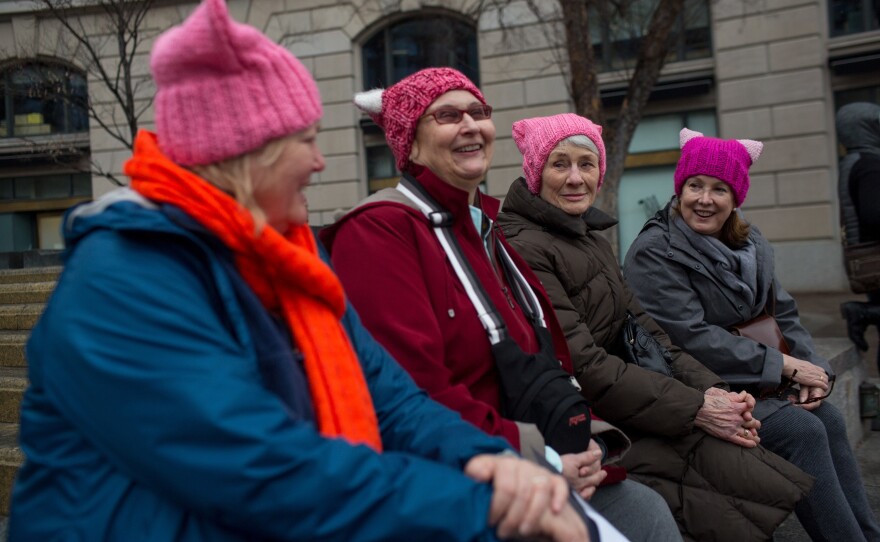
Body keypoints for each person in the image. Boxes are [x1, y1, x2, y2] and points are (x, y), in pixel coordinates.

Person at [7, 2, 596, 540]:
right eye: (307, 141)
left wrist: (486, 461)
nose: (320, 162)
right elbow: (258, 470)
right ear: (248, 152)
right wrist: (480, 506)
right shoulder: (123, 282)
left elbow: (391, 400)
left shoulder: (289, 259)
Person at [320, 68, 676, 542]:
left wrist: (579, 436)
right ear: (411, 143)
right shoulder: (380, 231)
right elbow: (413, 392)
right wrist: (542, 460)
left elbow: (542, 358)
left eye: (478, 112)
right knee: (649, 514)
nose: (470, 125)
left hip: (549, 445)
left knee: (652, 508)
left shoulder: (488, 224)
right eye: (447, 115)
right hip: (469, 474)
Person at [496, 113, 814, 542]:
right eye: (560, 164)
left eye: (586, 164)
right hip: (596, 418)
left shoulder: (587, 234)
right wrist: (696, 408)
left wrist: (712, 391)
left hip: (642, 396)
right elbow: (584, 363)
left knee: (754, 463)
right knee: (738, 472)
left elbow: (645, 327)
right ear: (536, 173)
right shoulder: (525, 246)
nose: (575, 178)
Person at [624, 127, 880, 542]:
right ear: (680, 188)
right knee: (803, 431)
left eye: (719, 189)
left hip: (757, 379)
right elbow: (690, 336)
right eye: (695, 186)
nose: (705, 199)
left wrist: (812, 369)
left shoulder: (751, 244)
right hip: (700, 386)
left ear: (735, 196)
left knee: (827, 417)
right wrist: (784, 366)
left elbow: (784, 312)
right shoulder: (655, 250)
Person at [836, 103, 880, 366]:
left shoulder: (854, 161)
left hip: (869, 260)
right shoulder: (870, 164)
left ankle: (865, 313)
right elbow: (874, 215)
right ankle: (863, 313)